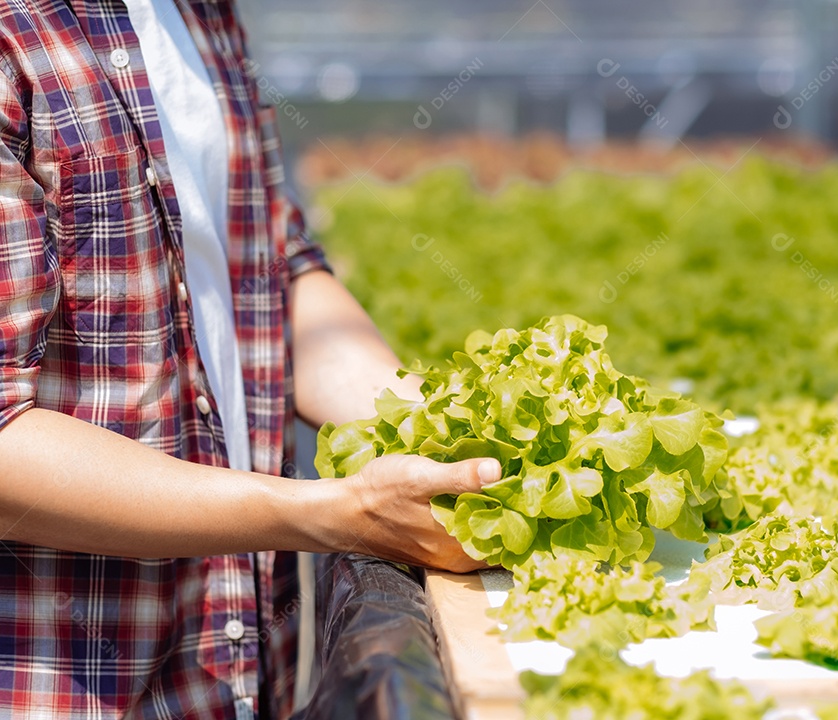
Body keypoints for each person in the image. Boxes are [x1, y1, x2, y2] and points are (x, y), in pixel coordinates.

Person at [0, 1, 496, 717]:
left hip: (234, 673)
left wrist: (445, 437)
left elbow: (272, 267)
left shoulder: (201, 13)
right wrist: (339, 512)